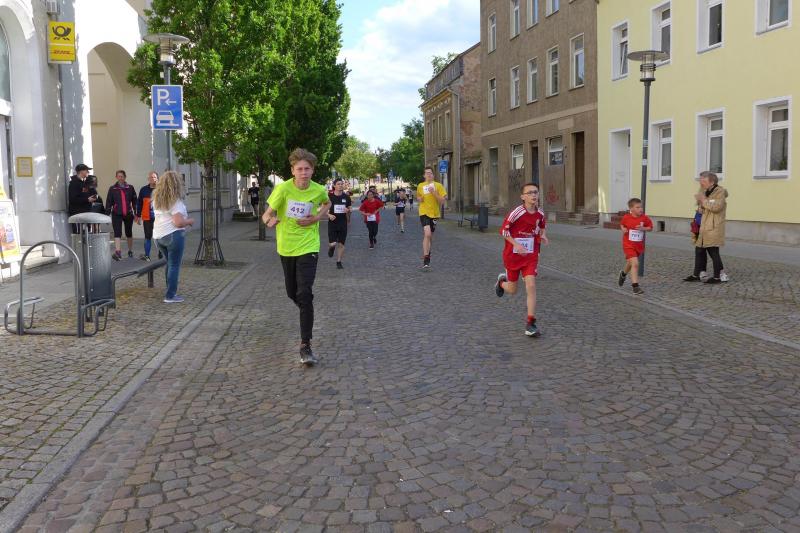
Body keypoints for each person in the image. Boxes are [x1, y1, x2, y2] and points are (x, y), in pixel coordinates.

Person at [262, 148, 331, 365]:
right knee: (292, 292)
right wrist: (269, 221)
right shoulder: (282, 189)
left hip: (309, 246)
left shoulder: (318, 189)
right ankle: (305, 309)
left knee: (304, 292)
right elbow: (266, 214)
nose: (303, 173)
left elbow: (327, 204)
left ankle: (305, 345)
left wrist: (316, 218)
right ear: (293, 170)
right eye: (299, 169)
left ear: (312, 170)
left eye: (307, 169)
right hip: (286, 247)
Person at [494, 182, 548, 337]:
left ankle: (530, 323)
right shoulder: (516, 212)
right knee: (512, 290)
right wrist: (516, 244)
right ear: (523, 197)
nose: (534, 195)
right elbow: (503, 231)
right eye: (530, 193)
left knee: (531, 285)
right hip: (513, 256)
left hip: (530, 255)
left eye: (536, 192)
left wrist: (543, 235)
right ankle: (501, 283)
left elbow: (542, 226)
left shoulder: (540, 213)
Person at [153, 171, 194, 303]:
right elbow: (178, 223)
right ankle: (170, 295)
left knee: (170, 264)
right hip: (173, 235)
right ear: (176, 184)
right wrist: (189, 221)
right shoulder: (175, 202)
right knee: (174, 265)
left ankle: (169, 290)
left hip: (159, 236)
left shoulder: (156, 200)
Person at [683, 171, 729, 284]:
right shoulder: (704, 191)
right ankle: (697, 274)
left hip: (713, 226)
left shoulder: (720, 192)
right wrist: (700, 206)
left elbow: (717, 207)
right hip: (702, 225)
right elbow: (703, 207)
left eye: (703, 180)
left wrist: (703, 200)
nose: (701, 182)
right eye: (700, 180)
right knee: (699, 250)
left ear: (712, 182)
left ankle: (717, 277)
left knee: (713, 251)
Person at [617, 198, 653, 295]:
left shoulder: (644, 218)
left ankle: (623, 274)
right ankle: (635, 287)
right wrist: (623, 229)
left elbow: (650, 227)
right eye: (637, 207)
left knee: (631, 262)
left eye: (641, 207)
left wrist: (643, 228)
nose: (640, 209)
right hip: (628, 245)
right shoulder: (626, 217)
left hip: (638, 246)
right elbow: (622, 224)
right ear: (631, 209)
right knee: (635, 263)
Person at [416, 167, 447, 269]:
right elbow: (418, 197)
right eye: (427, 173)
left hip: (434, 214)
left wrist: (434, 192)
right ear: (424, 175)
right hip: (423, 212)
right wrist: (420, 199)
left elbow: (442, 201)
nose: (429, 174)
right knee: (427, 234)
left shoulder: (438, 185)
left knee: (429, 236)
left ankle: (428, 252)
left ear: (433, 175)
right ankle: (426, 258)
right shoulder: (420, 186)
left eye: (430, 173)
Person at [105, 170, 138, 260]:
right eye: (118, 176)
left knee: (128, 232)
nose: (120, 178)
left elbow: (135, 201)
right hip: (116, 213)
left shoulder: (130, 188)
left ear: (125, 177)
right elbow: (109, 202)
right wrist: (107, 215)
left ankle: (130, 250)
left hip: (128, 213)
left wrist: (136, 213)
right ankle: (118, 252)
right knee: (117, 233)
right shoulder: (112, 189)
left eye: (122, 176)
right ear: (116, 177)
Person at [326, 178, 351, 269]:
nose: (340, 185)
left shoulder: (346, 197)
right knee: (333, 243)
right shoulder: (329, 196)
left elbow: (350, 208)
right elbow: (323, 208)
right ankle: (331, 248)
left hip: (342, 223)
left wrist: (348, 210)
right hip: (332, 223)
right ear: (334, 186)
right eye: (338, 184)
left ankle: (339, 261)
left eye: (341, 184)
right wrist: (329, 215)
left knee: (341, 244)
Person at [67, 163, 98, 234]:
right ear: (81, 172)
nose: (88, 172)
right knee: (79, 235)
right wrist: (87, 199)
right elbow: (73, 199)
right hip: (77, 214)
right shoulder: (74, 184)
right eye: (86, 170)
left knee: (87, 234)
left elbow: (93, 194)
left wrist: (93, 192)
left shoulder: (86, 183)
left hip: (86, 213)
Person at [136, 171, 158, 261]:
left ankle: (161, 254)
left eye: (154, 177)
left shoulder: (161, 189)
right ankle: (147, 256)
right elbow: (139, 203)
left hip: (159, 218)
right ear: (148, 179)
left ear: (157, 178)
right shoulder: (143, 189)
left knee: (159, 237)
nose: (152, 179)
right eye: (151, 177)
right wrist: (138, 216)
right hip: (147, 217)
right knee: (147, 237)